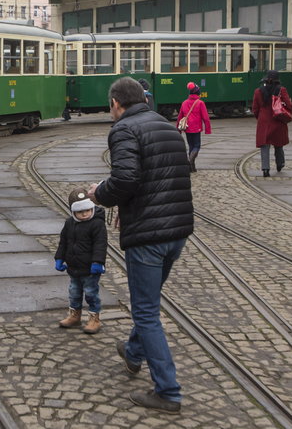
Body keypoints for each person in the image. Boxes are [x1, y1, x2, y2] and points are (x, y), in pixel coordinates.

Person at [87, 76, 193, 415]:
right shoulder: (164, 125)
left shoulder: (123, 130)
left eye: (110, 106)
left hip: (148, 235)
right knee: (149, 301)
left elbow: (127, 179)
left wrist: (99, 193)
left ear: (117, 103)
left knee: (146, 312)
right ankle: (133, 353)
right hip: (176, 231)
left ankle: (168, 392)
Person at [55, 188, 108, 334]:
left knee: (91, 293)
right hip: (74, 266)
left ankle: (94, 318)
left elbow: (100, 245)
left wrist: (98, 262)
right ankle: (75, 315)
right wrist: (59, 258)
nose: (85, 214)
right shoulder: (69, 223)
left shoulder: (97, 224)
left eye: (87, 210)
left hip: (90, 268)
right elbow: (63, 242)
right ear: (73, 212)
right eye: (80, 211)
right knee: (74, 292)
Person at [252, 70, 291, 177]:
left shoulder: (258, 91)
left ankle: (265, 169)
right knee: (279, 144)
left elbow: (255, 109)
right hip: (278, 120)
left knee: (264, 146)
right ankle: (280, 164)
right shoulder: (282, 90)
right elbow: (288, 105)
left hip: (264, 121)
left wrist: (259, 118)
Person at [175, 82, 211, 172]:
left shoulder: (184, 103)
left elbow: (179, 116)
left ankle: (192, 167)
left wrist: (178, 129)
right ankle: (190, 160)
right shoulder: (200, 103)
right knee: (197, 146)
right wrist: (208, 129)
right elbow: (206, 117)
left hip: (187, 128)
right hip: (196, 128)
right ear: (198, 93)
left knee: (191, 145)